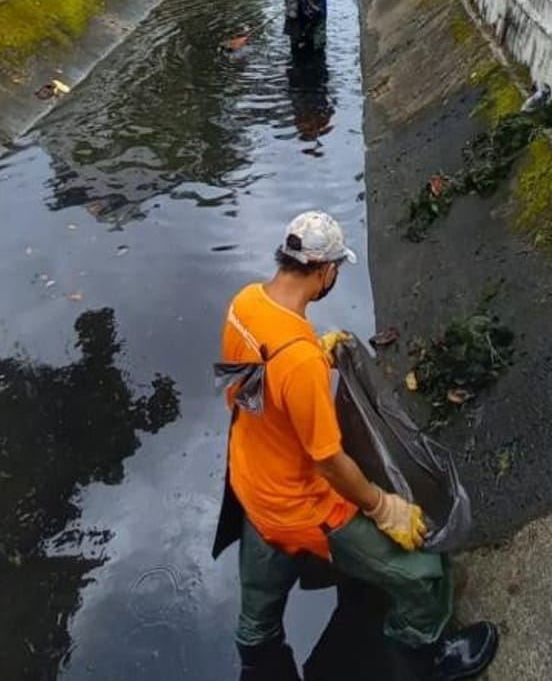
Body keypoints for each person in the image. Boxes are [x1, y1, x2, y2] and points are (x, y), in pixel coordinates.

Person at [213, 211, 498, 681]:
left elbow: (261, 372)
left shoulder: (245, 304)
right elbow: (328, 463)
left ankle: (258, 658)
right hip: (302, 505)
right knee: (425, 577)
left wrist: (317, 348)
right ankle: (420, 654)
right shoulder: (300, 362)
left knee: (258, 626)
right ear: (324, 272)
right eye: (335, 271)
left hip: (250, 487)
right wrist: (384, 506)